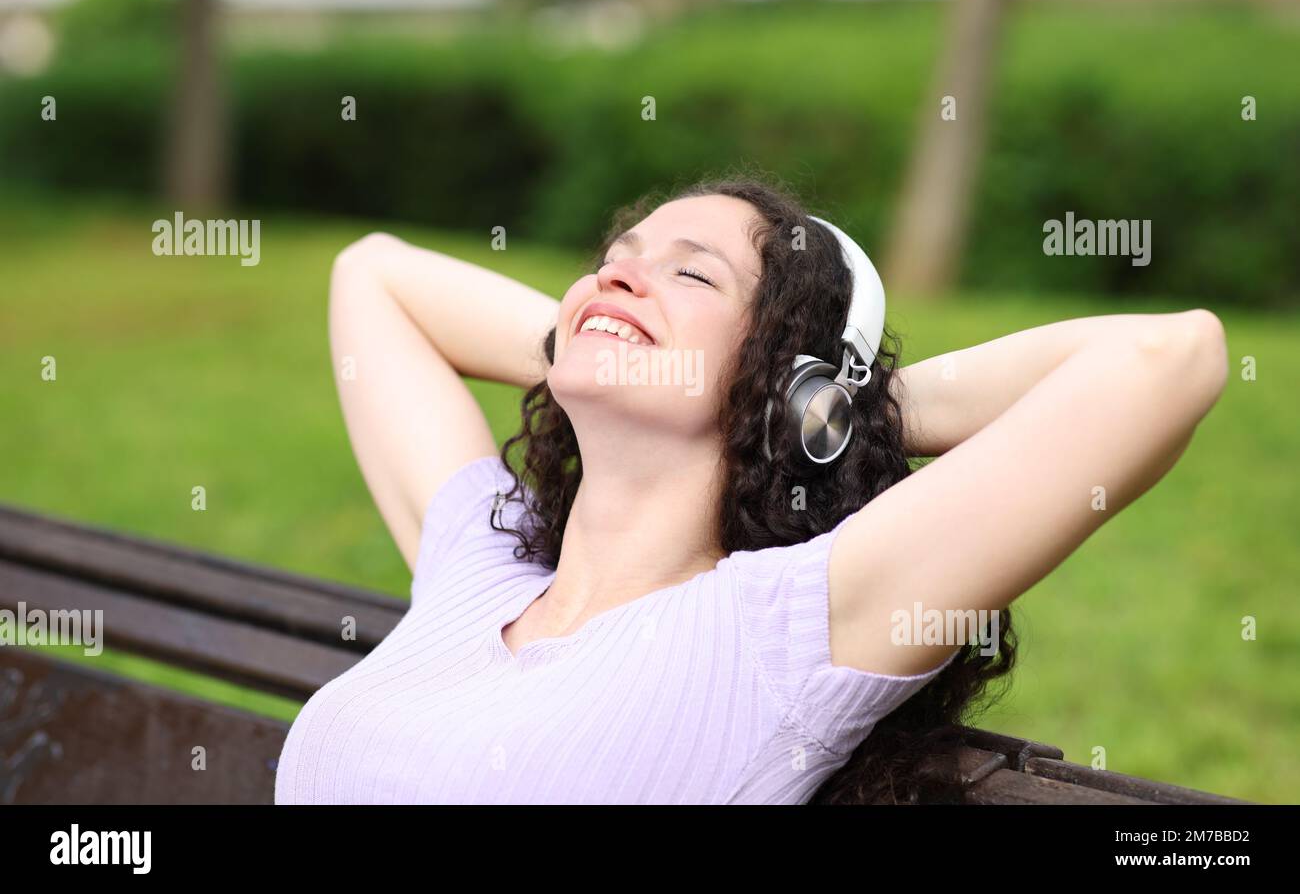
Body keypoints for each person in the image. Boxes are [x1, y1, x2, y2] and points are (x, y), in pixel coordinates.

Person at [273, 174, 1228, 804]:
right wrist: (612, 336)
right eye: (613, 262)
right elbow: (373, 278)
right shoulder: (478, 568)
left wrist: (836, 404)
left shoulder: (780, 634)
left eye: (691, 273)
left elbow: (1169, 358)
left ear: (788, 372)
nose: (621, 277)